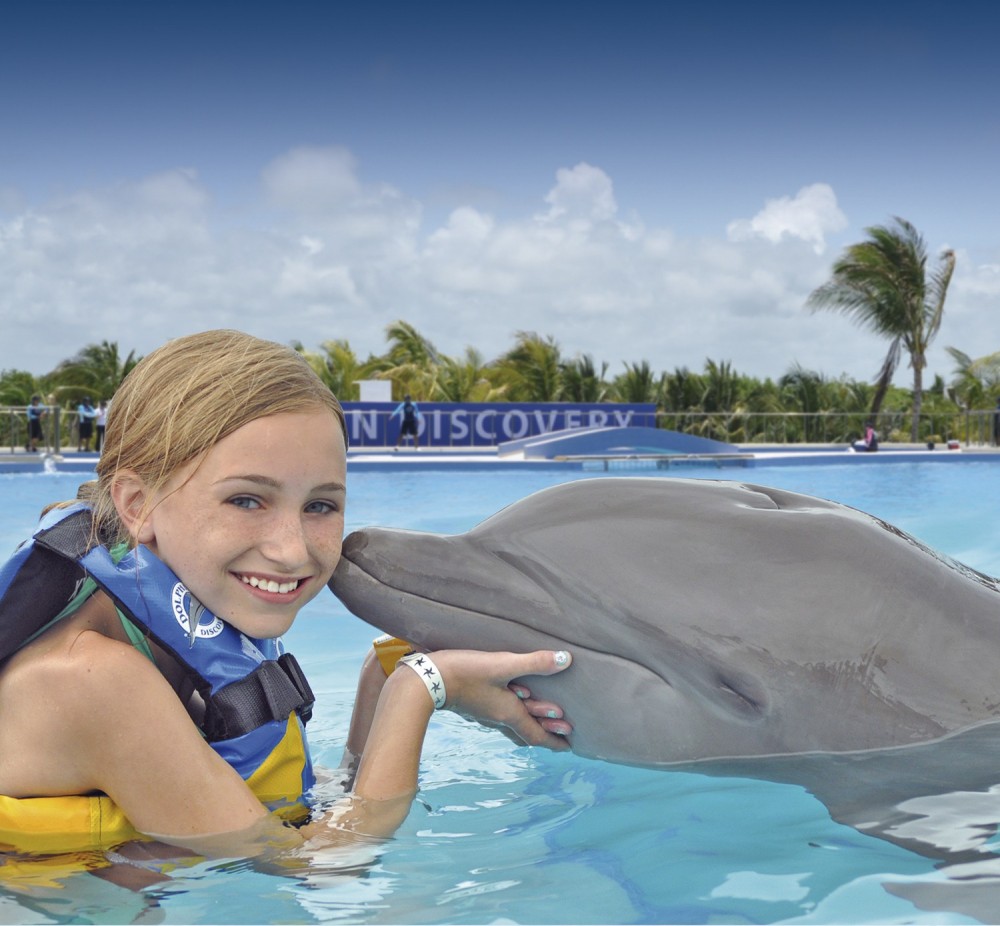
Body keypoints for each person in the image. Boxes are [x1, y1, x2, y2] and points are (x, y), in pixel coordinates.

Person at [0, 330, 572, 859]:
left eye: (320, 505)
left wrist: (388, 674)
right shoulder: (92, 680)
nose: (292, 551)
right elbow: (310, 861)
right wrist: (424, 690)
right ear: (135, 505)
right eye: (247, 500)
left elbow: (304, 801)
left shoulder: (168, 620)